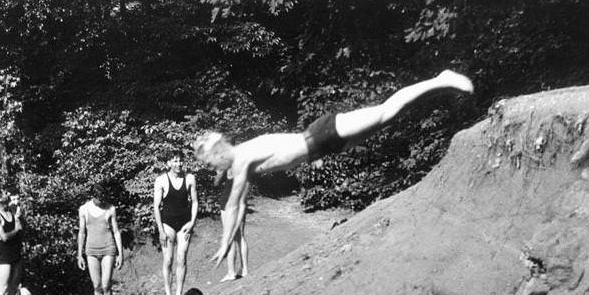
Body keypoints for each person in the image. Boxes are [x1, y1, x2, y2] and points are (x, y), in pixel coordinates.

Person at [195, 68, 474, 265]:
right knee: (388, 117)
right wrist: (228, 238)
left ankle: (441, 79)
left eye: (210, 161)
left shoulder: (242, 157)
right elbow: (239, 204)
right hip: (323, 146)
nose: (212, 167)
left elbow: (232, 206)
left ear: (219, 151)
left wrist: (224, 243)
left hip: (321, 133)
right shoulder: (241, 163)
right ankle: (438, 87)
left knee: (386, 110)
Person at [153, 153, 198, 295]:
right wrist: (160, 230)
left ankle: (179, 292)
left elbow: (195, 202)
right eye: (175, 161)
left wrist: (192, 222)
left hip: (184, 223)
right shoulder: (161, 180)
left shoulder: (190, 178)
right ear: (169, 163)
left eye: (180, 160)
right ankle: (168, 294)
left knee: (182, 257)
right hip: (168, 223)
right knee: (168, 259)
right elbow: (156, 206)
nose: (179, 164)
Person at [77, 185, 123, 295]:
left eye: (103, 198)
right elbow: (82, 232)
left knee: (106, 283)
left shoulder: (110, 209)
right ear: (93, 197)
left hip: (108, 247)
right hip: (91, 250)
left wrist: (120, 253)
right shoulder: (84, 209)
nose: (101, 201)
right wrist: (79, 255)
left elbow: (116, 231)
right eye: (99, 199)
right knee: (96, 285)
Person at [216, 168, 247, 282]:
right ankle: (244, 269)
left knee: (230, 238)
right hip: (240, 204)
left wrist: (219, 174)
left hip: (228, 205)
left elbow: (216, 183)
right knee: (241, 237)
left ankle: (231, 272)